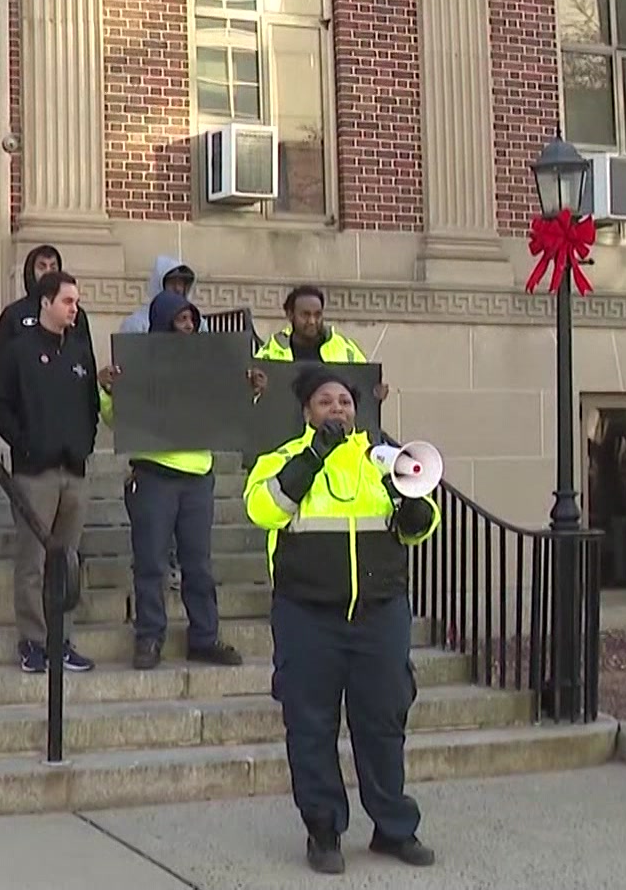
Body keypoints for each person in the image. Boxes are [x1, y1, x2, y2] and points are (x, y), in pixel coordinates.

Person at [242, 367, 442, 875]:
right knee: (310, 726)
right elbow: (264, 509)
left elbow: (419, 528)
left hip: (379, 613)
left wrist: (413, 505)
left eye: (345, 403)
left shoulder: (381, 461)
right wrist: (314, 457)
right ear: (308, 412)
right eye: (326, 402)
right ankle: (324, 830)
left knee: (383, 722)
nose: (338, 410)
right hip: (307, 615)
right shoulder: (282, 459)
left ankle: (394, 829)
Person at [100, 290, 243, 670]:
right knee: (151, 563)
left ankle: (204, 637)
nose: (189, 327)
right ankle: (149, 637)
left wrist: (250, 388)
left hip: (197, 475)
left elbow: (229, 412)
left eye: (192, 320)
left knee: (199, 564)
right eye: (181, 320)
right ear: (163, 322)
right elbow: (117, 420)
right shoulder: (140, 362)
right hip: (153, 474)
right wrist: (109, 391)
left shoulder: (206, 365)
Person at [0, 271, 103, 674]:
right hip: (35, 473)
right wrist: (26, 443)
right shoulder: (18, 351)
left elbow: (91, 405)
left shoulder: (80, 352)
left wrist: (84, 443)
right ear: (46, 303)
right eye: (68, 301)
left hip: (74, 470)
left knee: (68, 562)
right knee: (33, 561)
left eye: (77, 301)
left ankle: (62, 637)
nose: (75, 308)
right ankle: (34, 640)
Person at [118, 254, 199, 590]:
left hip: (194, 459)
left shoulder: (200, 328)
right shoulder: (136, 324)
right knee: (150, 557)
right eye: (172, 283)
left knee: (198, 562)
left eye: (184, 284)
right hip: (153, 455)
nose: (179, 289)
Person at [256, 285, 389, 403]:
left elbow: (363, 388)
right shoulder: (270, 352)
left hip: (336, 429)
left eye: (317, 314)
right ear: (290, 315)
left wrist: (376, 393)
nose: (312, 321)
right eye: (305, 315)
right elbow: (254, 400)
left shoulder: (345, 348)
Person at [0, 244, 93, 389]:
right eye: (42, 267)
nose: (48, 272)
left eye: (53, 267)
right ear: (31, 271)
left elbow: (87, 361)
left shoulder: (76, 314)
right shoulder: (14, 313)